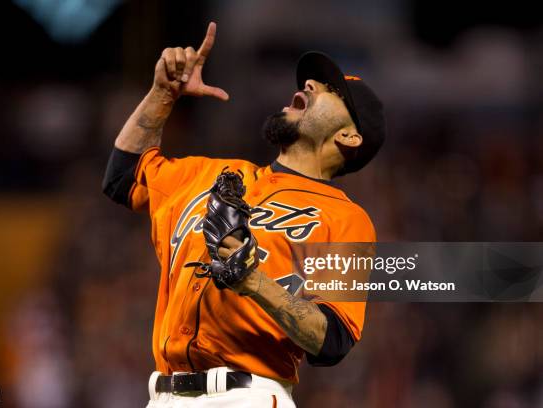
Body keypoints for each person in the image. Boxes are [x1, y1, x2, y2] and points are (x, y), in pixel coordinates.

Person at [102, 22, 385, 408]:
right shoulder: (213, 174)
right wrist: (163, 94)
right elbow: (122, 177)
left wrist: (250, 280)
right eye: (312, 82)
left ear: (350, 137)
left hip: (245, 395)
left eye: (331, 89)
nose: (309, 86)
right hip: (162, 396)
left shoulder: (345, 218)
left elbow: (332, 339)